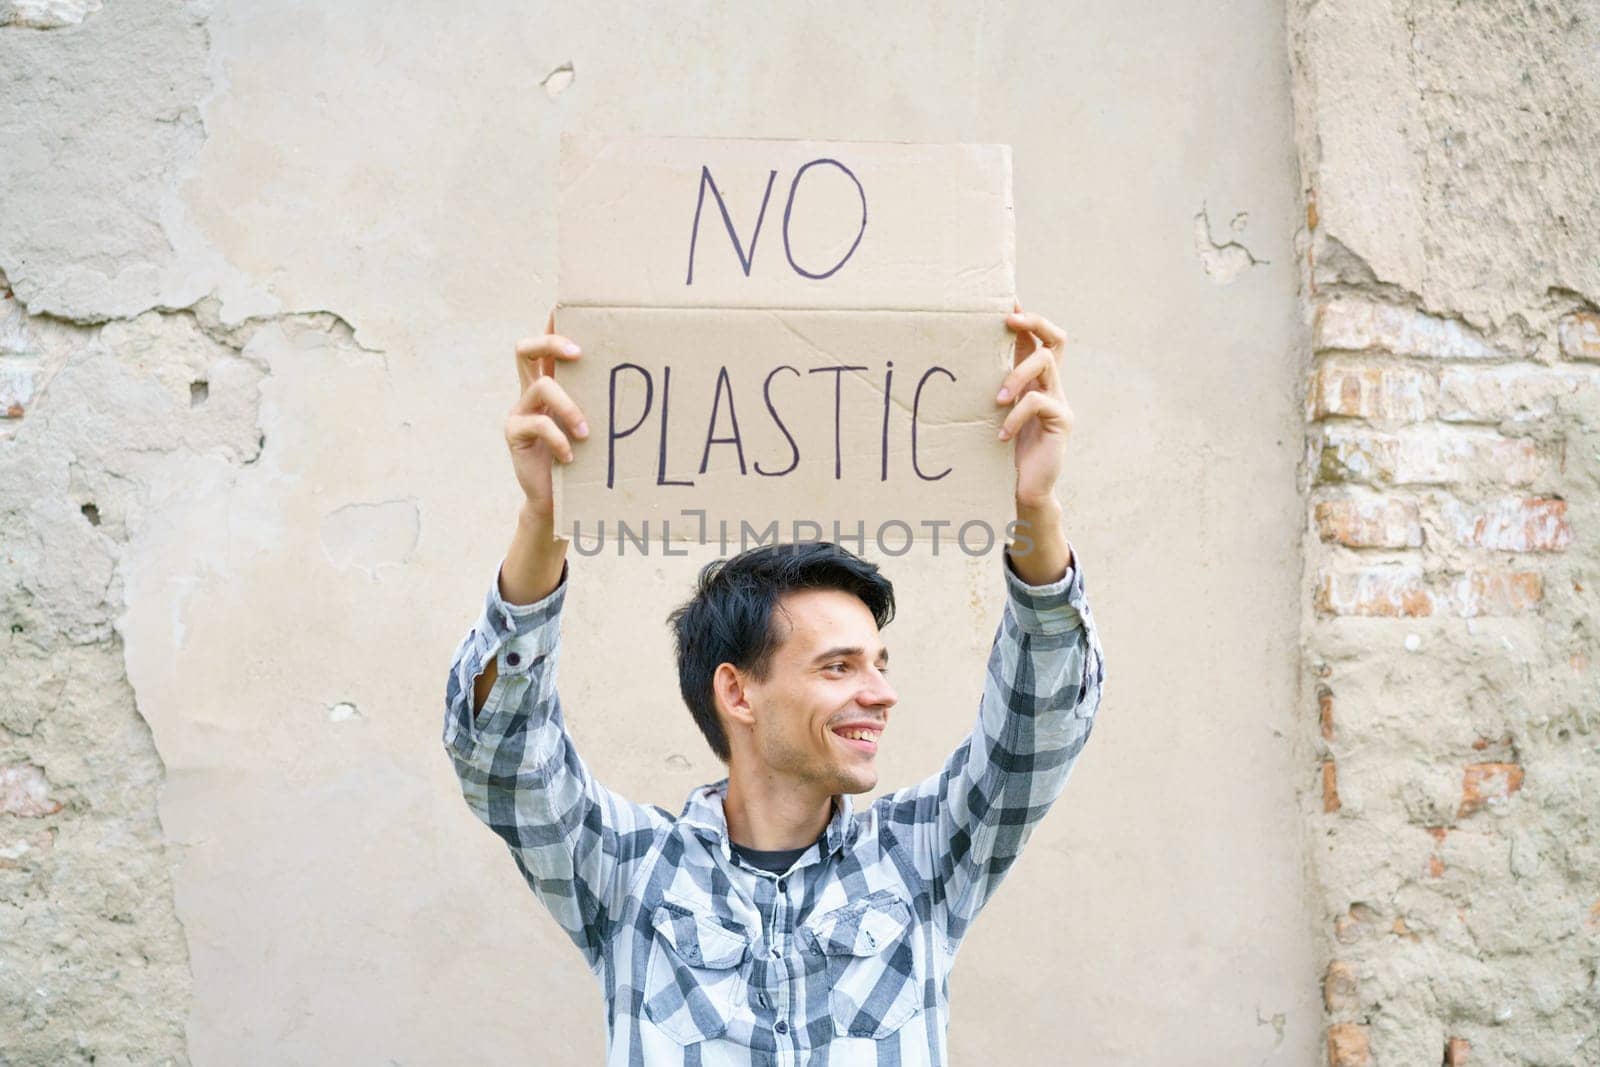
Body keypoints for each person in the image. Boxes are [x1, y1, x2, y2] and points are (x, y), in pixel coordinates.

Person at [442, 307, 1105, 1065]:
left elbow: (1040, 729)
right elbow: (500, 756)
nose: (880, 693)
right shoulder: (628, 871)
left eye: (879, 664)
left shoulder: (920, 856)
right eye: (839, 666)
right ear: (739, 693)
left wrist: (1032, 511)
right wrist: (544, 518)